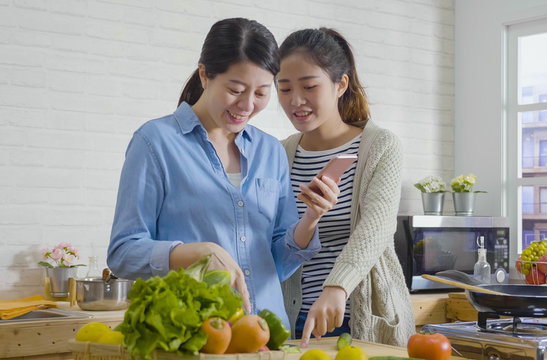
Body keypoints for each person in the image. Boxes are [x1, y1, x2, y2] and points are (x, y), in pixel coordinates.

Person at [107, 18, 339, 330]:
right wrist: (197, 252)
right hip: (192, 336)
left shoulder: (270, 152)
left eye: (261, 93)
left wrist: (310, 219)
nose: (246, 105)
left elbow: (278, 264)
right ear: (205, 75)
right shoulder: (155, 142)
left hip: (267, 335)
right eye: (235, 89)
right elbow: (123, 252)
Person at [276, 28, 415, 346]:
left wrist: (336, 286)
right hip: (291, 320)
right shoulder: (279, 153)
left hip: (356, 315)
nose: (295, 101)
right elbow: (277, 243)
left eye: (309, 87)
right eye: (284, 88)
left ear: (341, 84)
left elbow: (376, 229)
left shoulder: (379, 146)